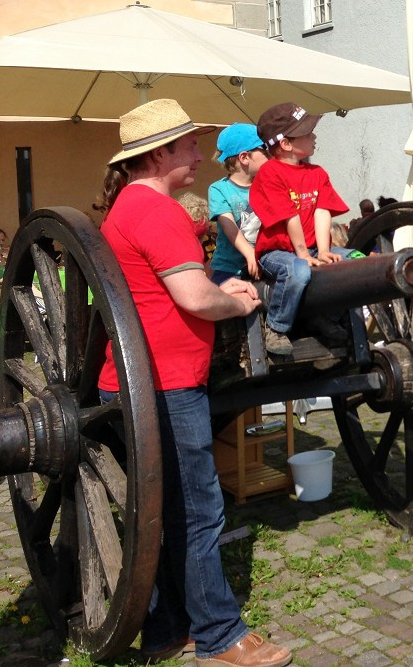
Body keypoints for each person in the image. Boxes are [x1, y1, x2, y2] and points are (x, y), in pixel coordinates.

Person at [95, 99, 290, 667]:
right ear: (159, 155)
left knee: (160, 508)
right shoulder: (157, 213)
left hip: (138, 381)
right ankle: (219, 635)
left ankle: (164, 630)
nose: (200, 155)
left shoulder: (125, 209)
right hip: (166, 383)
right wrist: (235, 300)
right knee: (199, 509)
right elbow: (193, 297)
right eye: (188, 146)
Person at [250, 102, 350, 356]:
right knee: (298, 270)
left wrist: (325, 251)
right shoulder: (270, 173)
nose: (314, 136)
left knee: (351, 263)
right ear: (286, 144)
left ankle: (323, 315)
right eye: (307, 132)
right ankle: (277, 326)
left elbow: (322, 210)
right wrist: (304, 254)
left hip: (312, 248)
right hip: (277, 251)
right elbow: (289, 217)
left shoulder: (317, 173)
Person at [208, 122, 270, 285]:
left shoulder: (269, 185)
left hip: (265, 263)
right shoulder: (219, 189)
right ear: (244, 157)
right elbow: (230, 228)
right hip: (230, 270)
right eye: (264, 150)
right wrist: (250, 254)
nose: (269, 155)